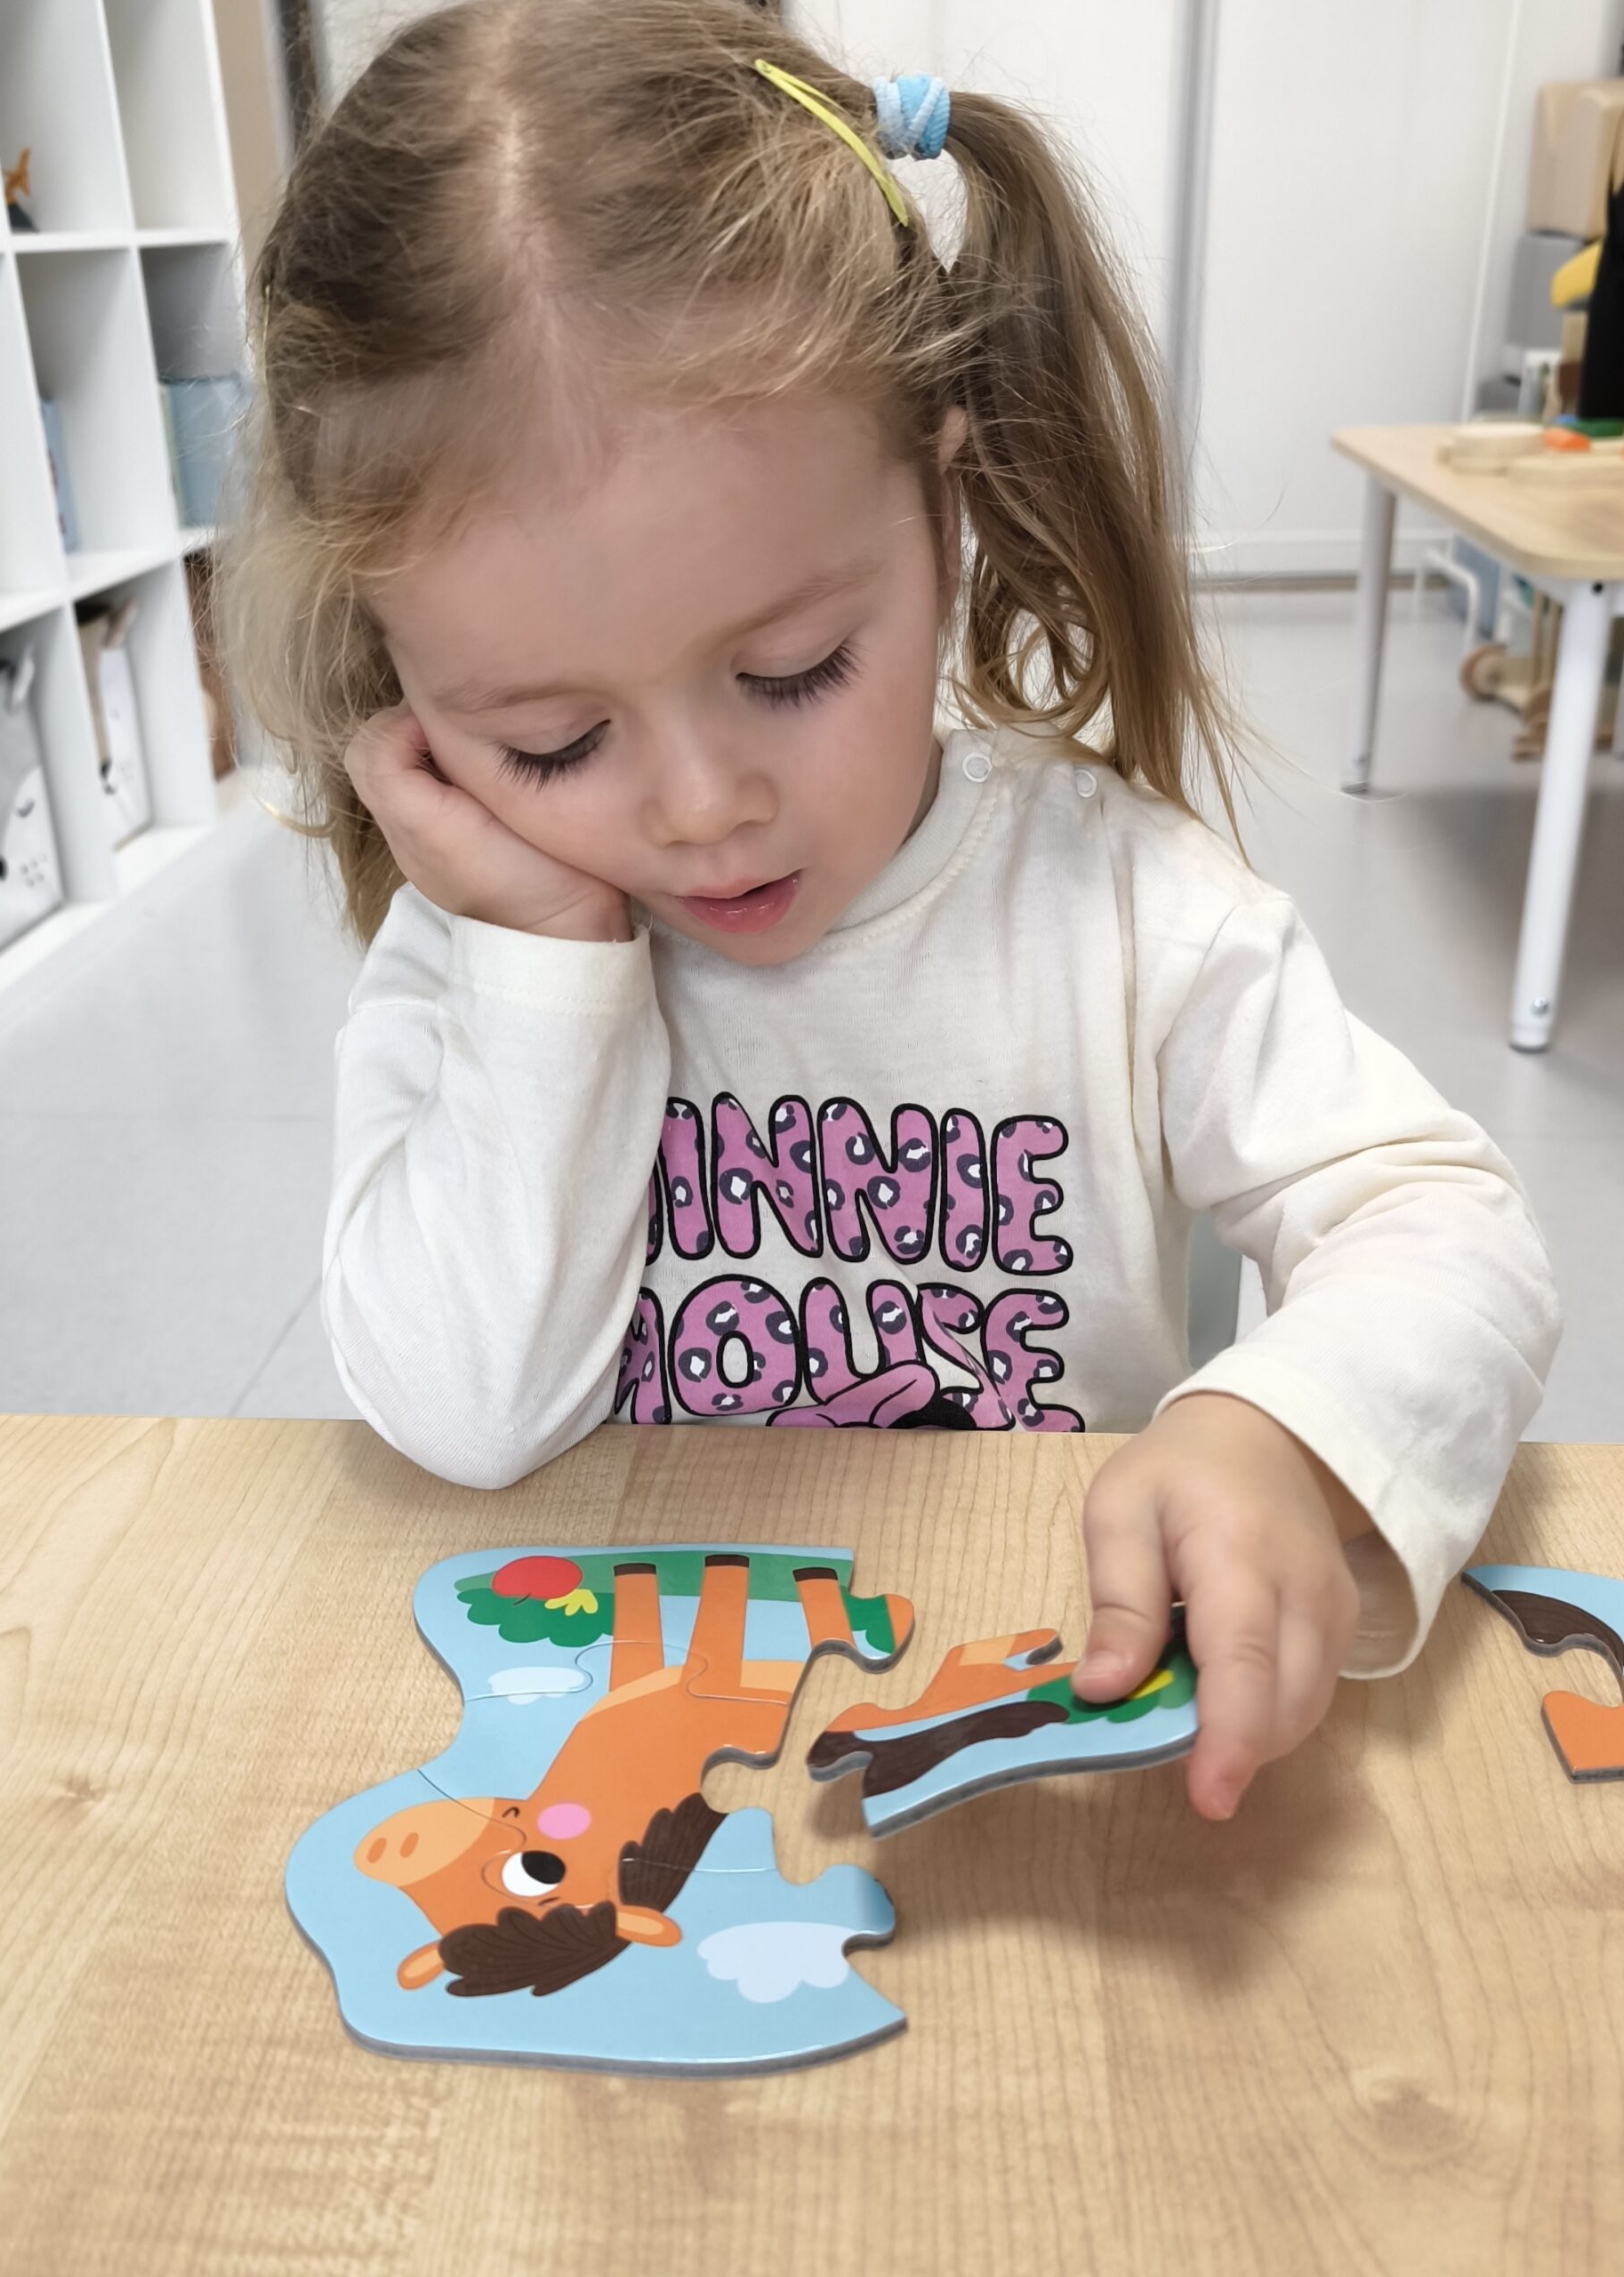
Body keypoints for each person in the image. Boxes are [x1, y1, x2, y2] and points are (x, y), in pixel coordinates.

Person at [226, 0, 1559, 1822]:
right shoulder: (475, 959)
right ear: (402, 685)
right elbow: (467, 1413)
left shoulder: (1123, 909)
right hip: (643, 1781)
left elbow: (1449, 1224)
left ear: (945, 503)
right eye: (552, 741)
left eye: (792, 669)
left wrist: (1276, 1430)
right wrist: (546, 958)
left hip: (1039, 1766)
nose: (701, 807)